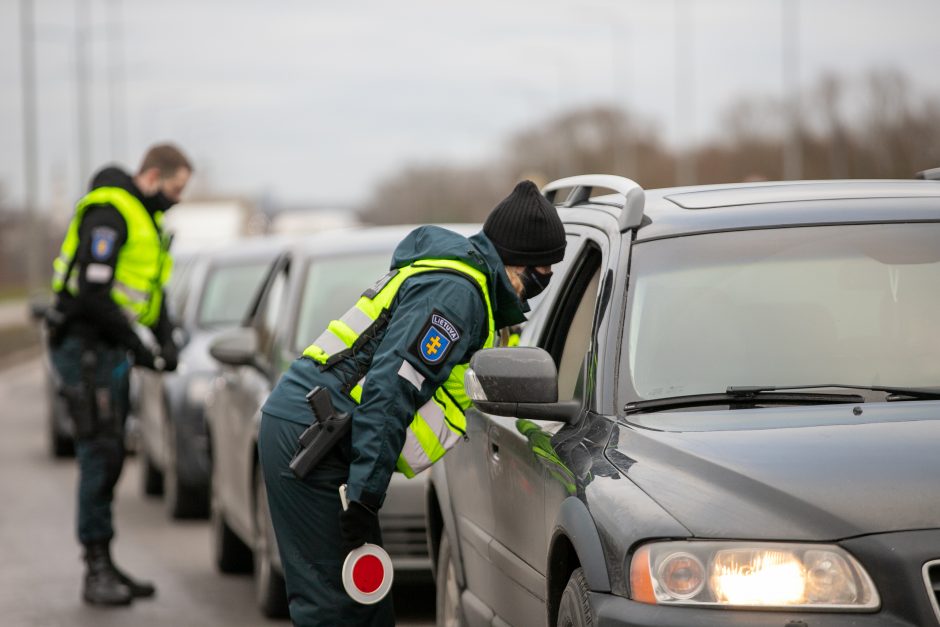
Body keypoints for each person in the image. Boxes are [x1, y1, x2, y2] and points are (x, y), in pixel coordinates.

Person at [258, 180, 567, 626]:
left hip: (325, 435)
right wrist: (365, 496)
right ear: (519, 259)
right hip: (310, 441)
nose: (548, 278)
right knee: (338, 612)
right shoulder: (457, 294)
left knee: (364, 608)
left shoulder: (467, 287)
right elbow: (391, 387)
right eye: (545, 268)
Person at [47, 143, 192, 606]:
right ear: (151, 177)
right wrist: (138, 347)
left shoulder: (145, 221)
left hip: (107, 348)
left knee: (110, 455)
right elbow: (93, 293)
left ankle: (105, 561)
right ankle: (95, 569)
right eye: (175, 189)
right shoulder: (110, 212)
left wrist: (165, 336)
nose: (177, 199)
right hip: (85, 347)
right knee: (100, 454)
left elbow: (147, 291)